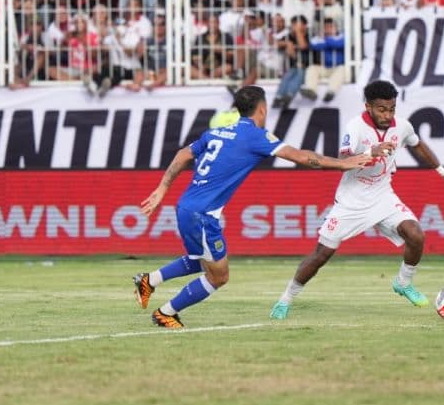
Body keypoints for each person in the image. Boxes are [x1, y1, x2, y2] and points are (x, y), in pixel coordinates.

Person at [133, 86, 372, 328]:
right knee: (219, 276)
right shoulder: (256, 136)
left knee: (204, 259)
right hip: (202, 216)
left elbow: (183, 154)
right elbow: (303, 157)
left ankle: (149, 280)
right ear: (262, 109)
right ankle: (166, 312)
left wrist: (162, 189)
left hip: (187, 207)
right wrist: (343, 164)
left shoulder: (215, 133)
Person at [269, 80, 444, 320]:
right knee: (321, 255)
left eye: (391, 109)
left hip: (382, 196)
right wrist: (371, 151)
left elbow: (418, 145)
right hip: (351, 200)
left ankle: (403, 283)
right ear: (368, 106)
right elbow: (342, 161)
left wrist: (443, 173)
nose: (387, 115)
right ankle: (285, 299)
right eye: (381, 109)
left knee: (415, 234)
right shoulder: (356, 127)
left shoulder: (402, 126)